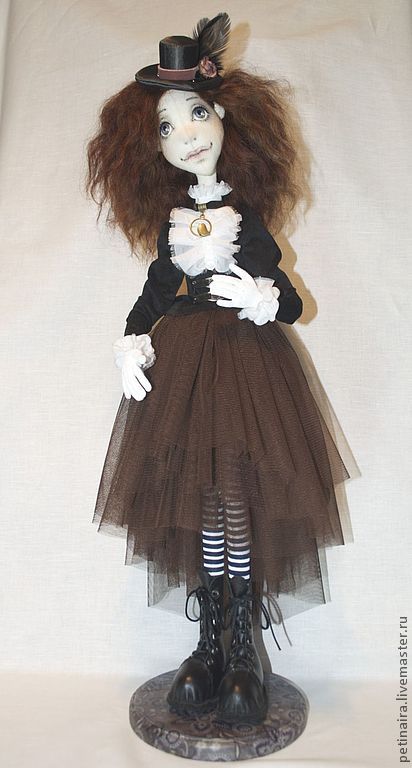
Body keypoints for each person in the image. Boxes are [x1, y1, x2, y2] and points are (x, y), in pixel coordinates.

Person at [87, 13, 352, 725]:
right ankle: (208, 642)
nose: (187, 136)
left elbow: (290, 301)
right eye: (167, 127)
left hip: (247, 367)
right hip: (185, 368)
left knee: (235, 498)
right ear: (154, 147)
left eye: (196, 114)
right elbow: (153, 295)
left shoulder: (247, 218)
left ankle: (242, 649)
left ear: (225, 115)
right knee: (201, 500)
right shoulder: (174, 223)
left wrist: (262, 297)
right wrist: (131, 341)